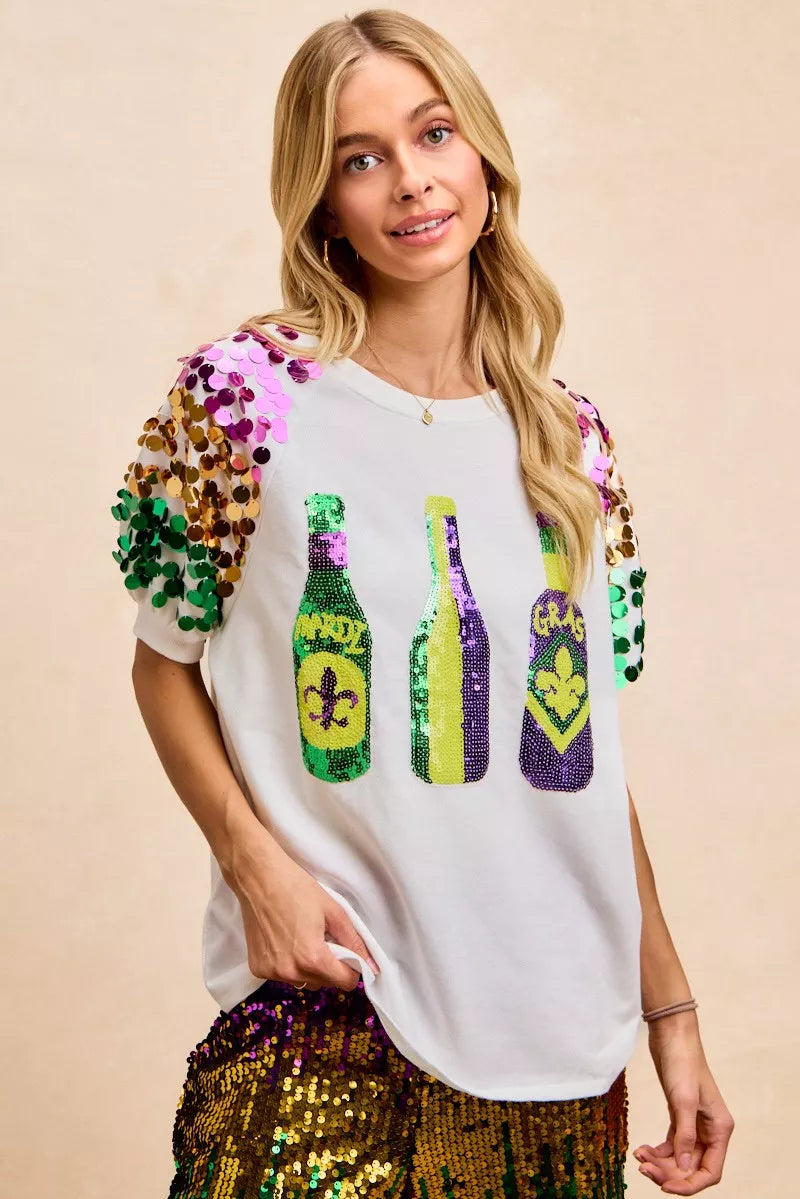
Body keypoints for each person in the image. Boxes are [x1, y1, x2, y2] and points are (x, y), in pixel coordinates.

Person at [111, 9, 734, 1197]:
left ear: (484, 161)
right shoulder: (248, 401)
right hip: (334, 1022)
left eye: (433, 133)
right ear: (323, 205)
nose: (409, 180)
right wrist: (254, 864)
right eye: (361, 157)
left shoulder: (569, 441)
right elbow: (161, 661)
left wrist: (672, 1012)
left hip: (559, 1051)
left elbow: (579, 755)